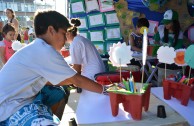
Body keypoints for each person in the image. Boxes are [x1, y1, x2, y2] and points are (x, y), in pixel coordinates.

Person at [0, 10, 107, 126]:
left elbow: (58, 80)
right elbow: (76, 79)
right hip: (7, 107)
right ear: (51, 30)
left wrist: (74, 81)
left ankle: (56, 119)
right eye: (63, 33)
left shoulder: (37, 47)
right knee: (45, 121)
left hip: (17, 98)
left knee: (58, 93)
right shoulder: (44, 50)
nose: (65, 39)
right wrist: (106, 90)